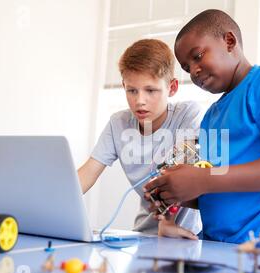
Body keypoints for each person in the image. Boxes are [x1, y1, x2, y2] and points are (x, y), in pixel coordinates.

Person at [143, 10, 260, 246]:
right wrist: (179, 192)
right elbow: (222, 184)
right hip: (220, 246)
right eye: (186, 68)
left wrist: (203, 179)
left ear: (229, 41)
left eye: (197, 56)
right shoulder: (211, 117)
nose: (193, 71)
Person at [78, 39, 202, 240]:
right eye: (132, 90)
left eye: (150, 90)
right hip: (143, 236)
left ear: (172, 88)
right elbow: (88, 173)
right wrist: (53, 206)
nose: (139, 101)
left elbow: (178, 175)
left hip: (186, 235)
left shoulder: (188, 114)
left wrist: (167, 222)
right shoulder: (118, 123)